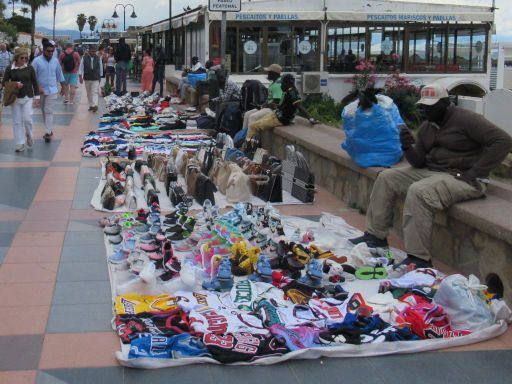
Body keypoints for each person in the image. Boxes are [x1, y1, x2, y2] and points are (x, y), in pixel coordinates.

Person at [349, 83, 512, 272]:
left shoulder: (467, 119)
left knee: (419, 192)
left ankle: (419, 258)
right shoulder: (428, 126)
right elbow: (418, 162)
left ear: (445, 103)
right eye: (424, 106)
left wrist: (476, 172)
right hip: (434, 172)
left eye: (432, 106)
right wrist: (407, 147)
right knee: (386, 177)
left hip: (463, 178)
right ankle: (375, 237)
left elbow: (503, 141)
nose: (427, 110)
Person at [247, 73, 317, 138]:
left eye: (282, 83)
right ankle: (253, 144)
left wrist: (310, 119)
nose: (281, 85)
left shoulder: (291, 93)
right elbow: (286, 106)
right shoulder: (289, 91)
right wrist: (274, 106)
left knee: (253, 127)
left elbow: (299, 106)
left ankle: (247, 147)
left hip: (280, 119)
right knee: (256, 123)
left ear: (287, 83)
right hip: (277, 115)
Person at [2, 48, 39, 152]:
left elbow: (35, 82)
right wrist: (15, 85)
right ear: (16, 58)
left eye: (26, 58)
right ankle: (20, 143)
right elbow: (4, 83)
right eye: (22, 58)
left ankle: (29, 135)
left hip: (28, 96)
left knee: (27, 119)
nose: (24, 60)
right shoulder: (10, 68)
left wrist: (37, 97)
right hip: (15, 97)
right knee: (17, 121)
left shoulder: (30, 68)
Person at [32, 41, 65, 143]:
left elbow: (59, 74)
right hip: (41, 91)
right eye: (48, 51)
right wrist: (38, 87)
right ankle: (49, 129)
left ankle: (47, 132)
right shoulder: (36, 61)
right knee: (43, 111)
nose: (50, 53)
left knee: (48, 110)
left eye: (52, 51)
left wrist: (63, 87)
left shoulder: (55, 61)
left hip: (52, 90)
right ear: (43, 50)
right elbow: (32, 76)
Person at [242, 63, 283, 134]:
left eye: (269, 72)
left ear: (274, 73)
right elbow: (269, 100)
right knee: (247, 114)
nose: (267, 74)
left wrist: (263, 106)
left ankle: (250, 141)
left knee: (252, 117)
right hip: (268, 107)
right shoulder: (273, 83)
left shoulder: (278, 85)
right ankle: (242, 136)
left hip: (274, 110)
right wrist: (261, 106)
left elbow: (276, 103)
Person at [79, 45, 103, 112]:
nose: (93, 53)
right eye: (92, 51)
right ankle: (91, 105)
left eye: (94, 51)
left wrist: (100, 76)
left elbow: (101, 68)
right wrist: (80, 76)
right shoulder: (84, 58)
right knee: (89, 93)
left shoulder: (98, 58)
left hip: (96, 78)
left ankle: (95, 105)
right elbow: (81, 68)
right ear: (89, 51)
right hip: (87, 78)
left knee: (94, 92)